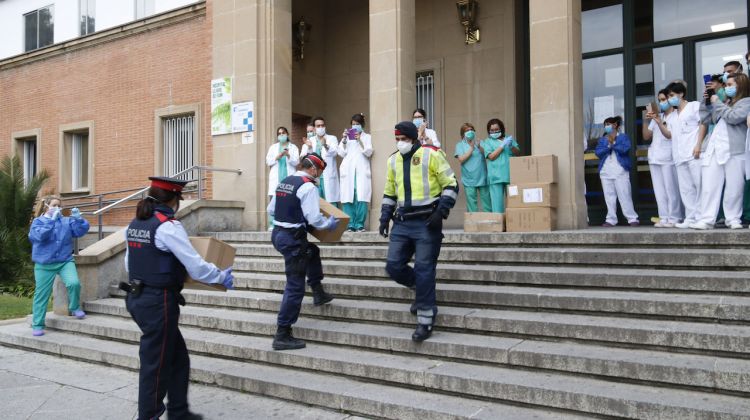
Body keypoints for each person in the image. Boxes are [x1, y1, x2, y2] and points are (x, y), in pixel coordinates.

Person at [124, 176, 235, 420]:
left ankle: (178, 412)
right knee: (156, 365)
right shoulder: (168, 226)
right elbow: (195, 266)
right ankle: (149, 415)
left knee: (177, 359)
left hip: (137, 296)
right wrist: (219, 276)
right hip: (158, 301)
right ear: (174, 199)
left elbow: (129, 262)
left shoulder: (136, 223)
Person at [379, 121, 458, 342]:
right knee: (393, 266)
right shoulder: (392, 160)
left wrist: (440, 212)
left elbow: (451, 184)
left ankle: (426, 319)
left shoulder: (431, 154)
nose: (400, 143)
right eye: (397, 139)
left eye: (403, 139)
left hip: (427, 221)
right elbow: (389, 191)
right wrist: (385, 217)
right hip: (402, 222)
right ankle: (420, 287)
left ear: (413, 138)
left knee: (424, 269)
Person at [267, 153, 339, 350]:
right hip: (292, 239)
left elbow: (271, 209)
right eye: (320, 172)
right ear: (314, 169)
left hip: (278, 234)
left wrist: (293, 214)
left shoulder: (286, 181)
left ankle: (318, 291)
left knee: (312, 251)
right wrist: (328, 224)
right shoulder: (308, 186)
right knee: (295, 286)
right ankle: (282, 333)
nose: (320, 176)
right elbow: (315, 219)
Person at [693, 73, 750, 230]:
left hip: (735, 150)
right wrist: (706, 102)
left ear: (741, 85)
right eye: (726, 85)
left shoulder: (746, 102)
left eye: (731, 85)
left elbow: (733, 117)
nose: (727, 88)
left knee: (735, 186)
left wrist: (717, 102)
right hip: (715, 148)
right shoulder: (724, 102)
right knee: (709, 185)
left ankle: (733, 218)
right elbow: (708, 119)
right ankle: (706, 219)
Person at [28, 196, 89, 336]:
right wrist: (51, 222)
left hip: (64, 261)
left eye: (59, 206)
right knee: (41, 295)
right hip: (44, 264)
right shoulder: (38, 222)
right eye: (55, 205)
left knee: (74, 283)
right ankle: (37, 324)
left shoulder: (65, 221)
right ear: (46, 206)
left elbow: (79, 232)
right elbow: (38, 237)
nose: (58, 208)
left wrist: (79, 220)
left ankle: (74, 307)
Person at [666, 81, 707, 228]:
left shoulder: (694, 106)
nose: (670, 99)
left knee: (699, 185)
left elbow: (703, 123)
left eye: (672, 95)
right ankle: (690, 218)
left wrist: (698, 145)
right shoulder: (672, 115)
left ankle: (702, 217)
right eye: (668, 96)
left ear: (681, 94)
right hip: (679, 156)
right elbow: (670, 135)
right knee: (686, 189)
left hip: (694, 153)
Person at [643, 89, 682, 227]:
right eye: (659, 100)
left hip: (669, 157)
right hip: (655, 157)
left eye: (664, 99)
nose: (661, 102)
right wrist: (646, 120)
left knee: (671, 189)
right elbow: (646, 136)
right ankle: (664, 217)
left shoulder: (676, 115)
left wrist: (659, 122)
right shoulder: (658, 117)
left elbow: (669, 135)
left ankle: (675, 217)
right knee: (659, 190)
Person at [594, 116, 639, 227]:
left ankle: (632, 218)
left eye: (608, 124)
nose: (606, 127)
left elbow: (625, 149)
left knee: (624, 195)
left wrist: (613, 143)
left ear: (615, 125)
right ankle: (611, 219)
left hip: (620, 171)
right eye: (605, 125)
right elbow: (598, 152)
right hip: (606, 172)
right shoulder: (603, 139)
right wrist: (609, 145)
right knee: (609, 197)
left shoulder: (623, 137)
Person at [338, 113, 373, 232]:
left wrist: (360, 140)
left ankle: (359, 224)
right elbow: (341, 153)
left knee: (361, 196)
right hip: (348, 171)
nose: (355, 126)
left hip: (361, 171)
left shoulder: (367, 137)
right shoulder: (347, 138)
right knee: (348, 197)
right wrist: (343, 139)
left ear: (362, 125)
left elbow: (368, 152)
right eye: (353, 124)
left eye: (357, 124)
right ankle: (350, 224)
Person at [481, 118, 520, 213]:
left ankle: (513, 223)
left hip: (510, 176)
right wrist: (502, 146)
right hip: (495, 178)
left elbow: (518, 153)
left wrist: (511, 146)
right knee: (497, 206)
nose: (494, 132)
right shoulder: (487, 142)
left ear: (501, 129)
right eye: (492, 130)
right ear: (489, 131)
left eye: (496, 129)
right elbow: (491, 156)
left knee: (513, 202)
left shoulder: (508, 139)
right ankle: (499, 225)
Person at [266, 126, 300, 229]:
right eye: (279, 133)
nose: (281, 135)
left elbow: (296, 162)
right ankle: (272, 224)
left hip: (288, 176)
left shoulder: (293, 147)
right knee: (274, 200)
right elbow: (268, 161)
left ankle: (289, 222)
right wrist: (278, 156)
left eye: (283, 133)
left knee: (289, 200)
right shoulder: (273, 147)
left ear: (287, 134)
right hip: (276, 177)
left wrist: (288, 155)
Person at [301, 116, 340, 205]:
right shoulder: (311, 140)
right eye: (318, 126)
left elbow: (334, 153)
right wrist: (309, 147)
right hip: (315, 176)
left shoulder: (331, 138)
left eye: (322, 125)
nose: (320, 128)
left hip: (328, 174)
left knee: (331, 205)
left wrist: (325, 145)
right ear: (314, 128)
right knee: (317, 204)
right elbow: (307, 159)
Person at [453, 122, 490, 212]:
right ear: (463, 134)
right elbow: (461, 159)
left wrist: (479, 146)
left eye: (471, 130)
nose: (469, 132)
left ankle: (489, 222)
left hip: (482, 177)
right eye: (467, 130)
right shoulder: (460, 145)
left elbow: (488, 155)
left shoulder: (480, 142)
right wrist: (471, 148)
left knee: (487, 203)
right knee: (472, 204)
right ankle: (473, 223)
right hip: (469, 179)